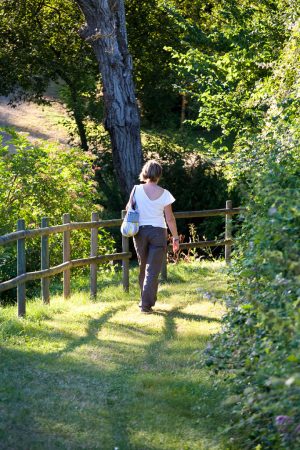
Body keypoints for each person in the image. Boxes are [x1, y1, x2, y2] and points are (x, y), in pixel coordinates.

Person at [126, 160, 179, 313]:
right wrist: (175, 238)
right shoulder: (165, 193)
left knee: (143, 266)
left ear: (145, 172)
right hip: (158, 232)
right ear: (159, 175)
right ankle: (146, 304)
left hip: (140, 232)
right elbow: (170, 218)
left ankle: (145, 300)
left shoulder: (136, 189)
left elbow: (129, 208)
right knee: (153, 270)